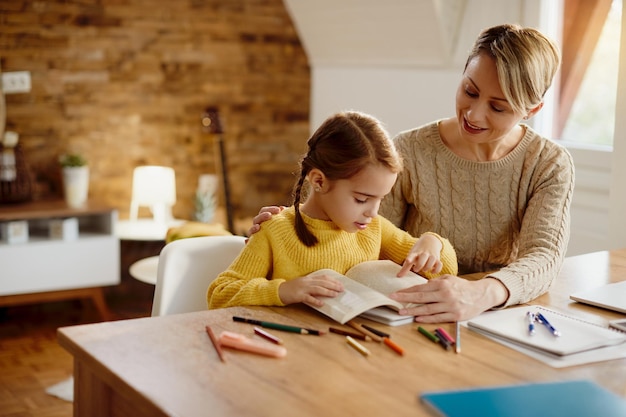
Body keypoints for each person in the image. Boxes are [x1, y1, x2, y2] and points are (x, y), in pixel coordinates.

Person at [248, 24, 575, 323]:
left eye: (498, 107)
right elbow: (359, 235)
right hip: (413, 317)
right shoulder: (409, 150)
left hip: (502, 315)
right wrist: (290, 227)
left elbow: (543, 257)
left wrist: (482, 293)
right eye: (470, 91)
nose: (474, 114)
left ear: (531, 110)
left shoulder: (548, 163)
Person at [207, 111, 457, 309]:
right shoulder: (275, 230)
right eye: (361, 199)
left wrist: (431, 242)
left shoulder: (374, 228)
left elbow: (447, 271)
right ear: (319, 181)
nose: (373, 211)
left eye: (380, 199)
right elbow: (220, 294)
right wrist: (284, 290)